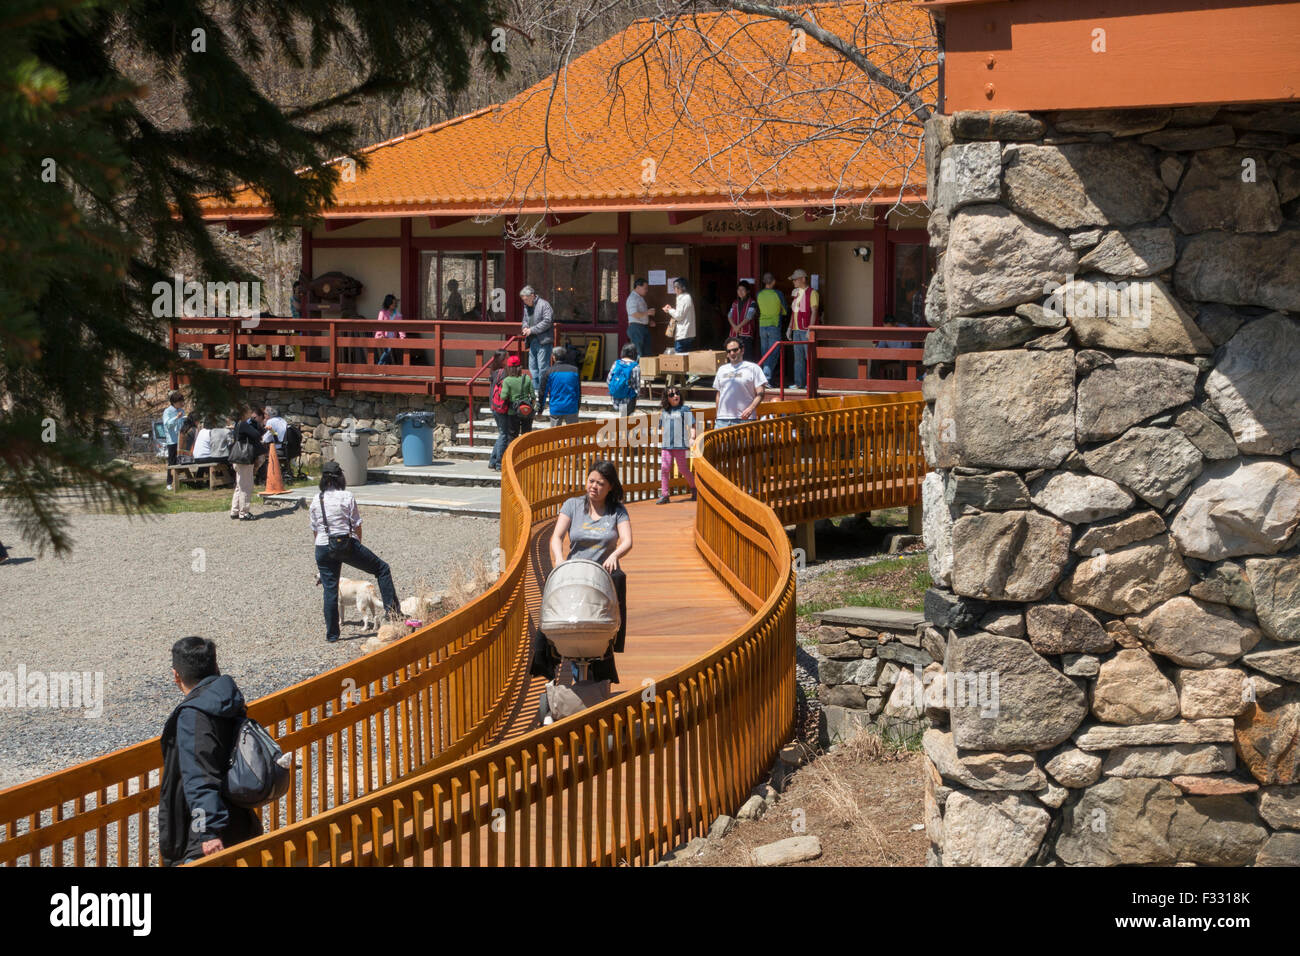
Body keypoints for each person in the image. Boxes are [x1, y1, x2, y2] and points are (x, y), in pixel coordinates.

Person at [158, 636, 262, 865]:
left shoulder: (193, 715)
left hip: (205, 836)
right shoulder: (228, 699)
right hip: (239, 819)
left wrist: (207, 833)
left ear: (176, 675)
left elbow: (199, 775)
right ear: (215, 666)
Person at [531, 461, 632, 685]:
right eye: (591, 481)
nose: (594, 486)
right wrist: (558, 558)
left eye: (600, 483)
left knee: (619, 578)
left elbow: (627, 540)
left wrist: (615, 555)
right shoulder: (573, 505)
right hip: (575, 570)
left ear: (610, 487)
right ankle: (546, 655)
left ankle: (614, 639)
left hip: (602, 573)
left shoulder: (617, 511)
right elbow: (556, 536)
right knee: (552, 586)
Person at [310, 461, 400, 642]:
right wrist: (357, 543)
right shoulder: (347, 496)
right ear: (340, 478)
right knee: (382, 569)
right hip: (345, 543)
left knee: (330, 589)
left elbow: (315, 529)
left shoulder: (316, 499)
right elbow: (357, 524)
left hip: (322, 545)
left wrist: (322, 548)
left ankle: (332, 635)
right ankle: (393, 613)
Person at [713, 336, 768, 428]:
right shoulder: (721, 369)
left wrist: (751, 409)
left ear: (742, 350)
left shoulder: (754, 368)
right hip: (722, 421)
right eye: (729, 351)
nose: (732, 353)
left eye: (735, 350)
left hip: (745, 419)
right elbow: (719, 394)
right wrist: (717, 415)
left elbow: (761, 392)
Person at [657, 387, 697, 504]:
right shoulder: (665, 411)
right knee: (665, 469)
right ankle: (665, 495)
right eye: (672, 395)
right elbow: (661, 425)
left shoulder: (684, 409)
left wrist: (692, 437)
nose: (675, 396)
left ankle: (694, 489)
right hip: (666, 445)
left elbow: (693, 425)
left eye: (677, 393)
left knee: (683, 469)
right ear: (667, 399)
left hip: (680, 446)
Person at [230, 405, 264, 520]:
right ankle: (244, 512)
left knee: (239, 485)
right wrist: (259, 426)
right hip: (244, 458)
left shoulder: (237, 424)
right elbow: (257, 435)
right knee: (246, 485)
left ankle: (235, 510)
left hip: (238, 458)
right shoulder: (244, 424)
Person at [788, 269, 819, 389]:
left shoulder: (812, 293)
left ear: (803, 279)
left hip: (806, 329)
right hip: (797, 330)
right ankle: (799, 383)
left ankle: (810, 383)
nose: (794, 281)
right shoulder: (797, 293)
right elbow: (794, 312)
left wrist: (810, 329)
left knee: (809, 357)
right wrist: (790, 327)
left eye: (795, 279)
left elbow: (814, 311)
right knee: (798, 358)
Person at [519, 285, 555, 384]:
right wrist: (525, 327)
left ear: (532, 296)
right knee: (532, 367)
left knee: (543, 367)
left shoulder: (544, 304)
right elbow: (525, 320)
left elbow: (548, 321)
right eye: (523, 300)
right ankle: (535, 389)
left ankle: (543, 390)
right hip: (532, 340)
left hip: (543, 341)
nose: (524, 301)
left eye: (526, 299)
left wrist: (532, 330)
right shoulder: (526, 307)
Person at [756, 273, 788, 383]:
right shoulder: (778, 293)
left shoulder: (759, 294)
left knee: (765, 353)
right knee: (773, 353)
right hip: (774, 325)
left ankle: (763, 377)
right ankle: (766, 378)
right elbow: (785, 311)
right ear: (773, 281)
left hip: (762, 325)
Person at [500, 355, 536, 450]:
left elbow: (503, 396)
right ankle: (526, 455)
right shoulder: (527, 378)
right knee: (526, 435)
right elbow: (533, 396)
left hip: (513, 411)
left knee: (512, 436)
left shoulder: (507, 381)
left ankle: (513, 458)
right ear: (520, 367)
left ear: (509, 368)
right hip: (526, 410)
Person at [541, 345, 582, 425]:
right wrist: (577, 406)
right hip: (571, 407)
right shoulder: (575, 370)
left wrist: (540, 409)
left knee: (555, 435)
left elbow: (543, 391)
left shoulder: (549, 371)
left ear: (554, 357)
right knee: (572, 435)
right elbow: (578, 391)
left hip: (556, 407)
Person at [486, 351, 511, 472]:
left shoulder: (494, 371)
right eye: (507, 357)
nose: (509, 358)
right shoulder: (504, 373)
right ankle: (498, 463)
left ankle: (492, 460)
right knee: (504, 434)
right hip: (501, 407)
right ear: (503, 360)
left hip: (494, 405)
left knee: (502, 433)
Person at [606, 342, 641, 418]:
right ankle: (623, 429)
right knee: (626, 420)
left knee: (622, 418)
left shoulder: (616, 363)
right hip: (629, 398)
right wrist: (637, 397)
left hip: (616, 397)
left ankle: (622, 428)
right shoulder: (635, 366)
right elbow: (637, 385)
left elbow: (608, 380)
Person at [727, 280, 758, 364]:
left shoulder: (752, 302)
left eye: (742, 290)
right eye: (738, 290)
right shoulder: (735, 303)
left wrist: (738, 326)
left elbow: (749, 316)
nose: (740, 292)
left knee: (747, 357)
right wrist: (734, 327)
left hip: (746, 335)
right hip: (735, 334)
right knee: (734, 357)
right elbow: (729, 316)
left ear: (747, 291)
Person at [661, 278, 696, 352]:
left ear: (681, 288)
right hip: (687, 333)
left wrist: (669, 310)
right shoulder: (685, 297)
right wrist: (671, 309)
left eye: (675, 287)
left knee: (680, 357)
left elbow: (679, 316)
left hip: (684, 334)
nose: (674, 289)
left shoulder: (684, 298)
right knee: (686, 357)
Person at [625, 277, 655, 357]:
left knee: (646, 352)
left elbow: (641, 314)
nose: (646, 290)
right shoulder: (632, 298)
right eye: (645, 288)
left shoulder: (640, 298)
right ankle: (637, 369)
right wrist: (647, 313)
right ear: (638, 287)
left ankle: (645, 369)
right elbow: (633, 314)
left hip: (643, 327)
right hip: (636, 328)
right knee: (638, 353)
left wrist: (648, 321)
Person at [163, 390, 185, 489]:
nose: (182, 403)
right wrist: (176, 417)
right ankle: (169, 482)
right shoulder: (167, 411)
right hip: (172, 440)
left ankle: (179, 480)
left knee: (181, 460)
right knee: (172, 461)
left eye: (182, 401)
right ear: (174, 402)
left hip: (180, 439)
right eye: (180, 401)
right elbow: (167, 424)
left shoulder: (182, 411)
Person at [374, 293, 405, 365]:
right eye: (392, 303)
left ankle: (383, 369)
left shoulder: (397, 314)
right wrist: (380, 334)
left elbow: (401, 326)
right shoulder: (382, 312)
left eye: (395, 303)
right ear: (388, 303)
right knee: (387, 351)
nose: (394, 304)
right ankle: (380, 366)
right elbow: (379, 325)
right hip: (383, 336)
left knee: (388, 352)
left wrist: (402, 336)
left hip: (392, 336)